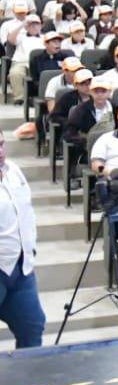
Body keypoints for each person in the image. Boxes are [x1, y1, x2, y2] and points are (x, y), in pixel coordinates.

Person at [0, 131, 44, 349]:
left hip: (21, 268)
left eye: (1, 144)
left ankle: (29, 382)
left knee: (33, 326)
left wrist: (30, 247)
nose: (0, 152)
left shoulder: (14, 171)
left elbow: (27, 212)